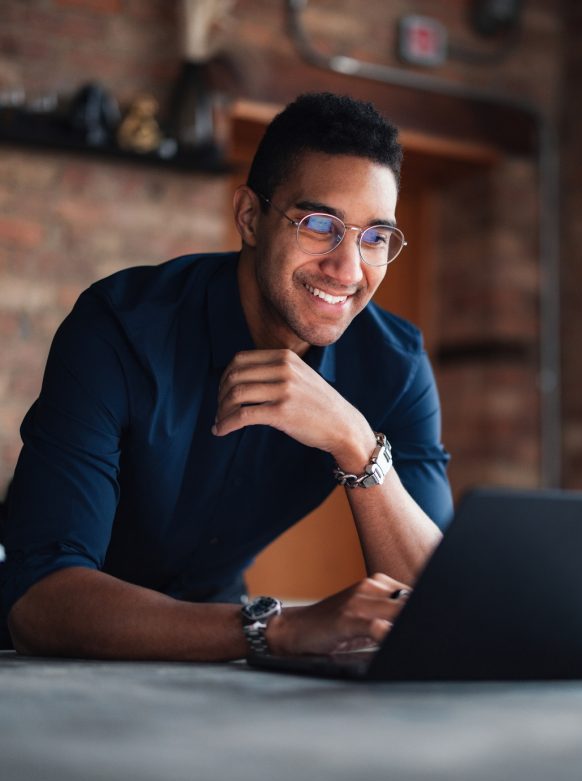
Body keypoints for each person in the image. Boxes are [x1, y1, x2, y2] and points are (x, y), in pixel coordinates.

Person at [1, 92, 453, 660]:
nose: (348, 268)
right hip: (57, 655)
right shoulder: (120, 328)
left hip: (216, 645)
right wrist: (277, 628)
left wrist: (357, 444)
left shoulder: (395, 364)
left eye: (375, 237)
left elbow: (441, 605)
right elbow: (38, 599)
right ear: (249, 217)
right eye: (319, 224)